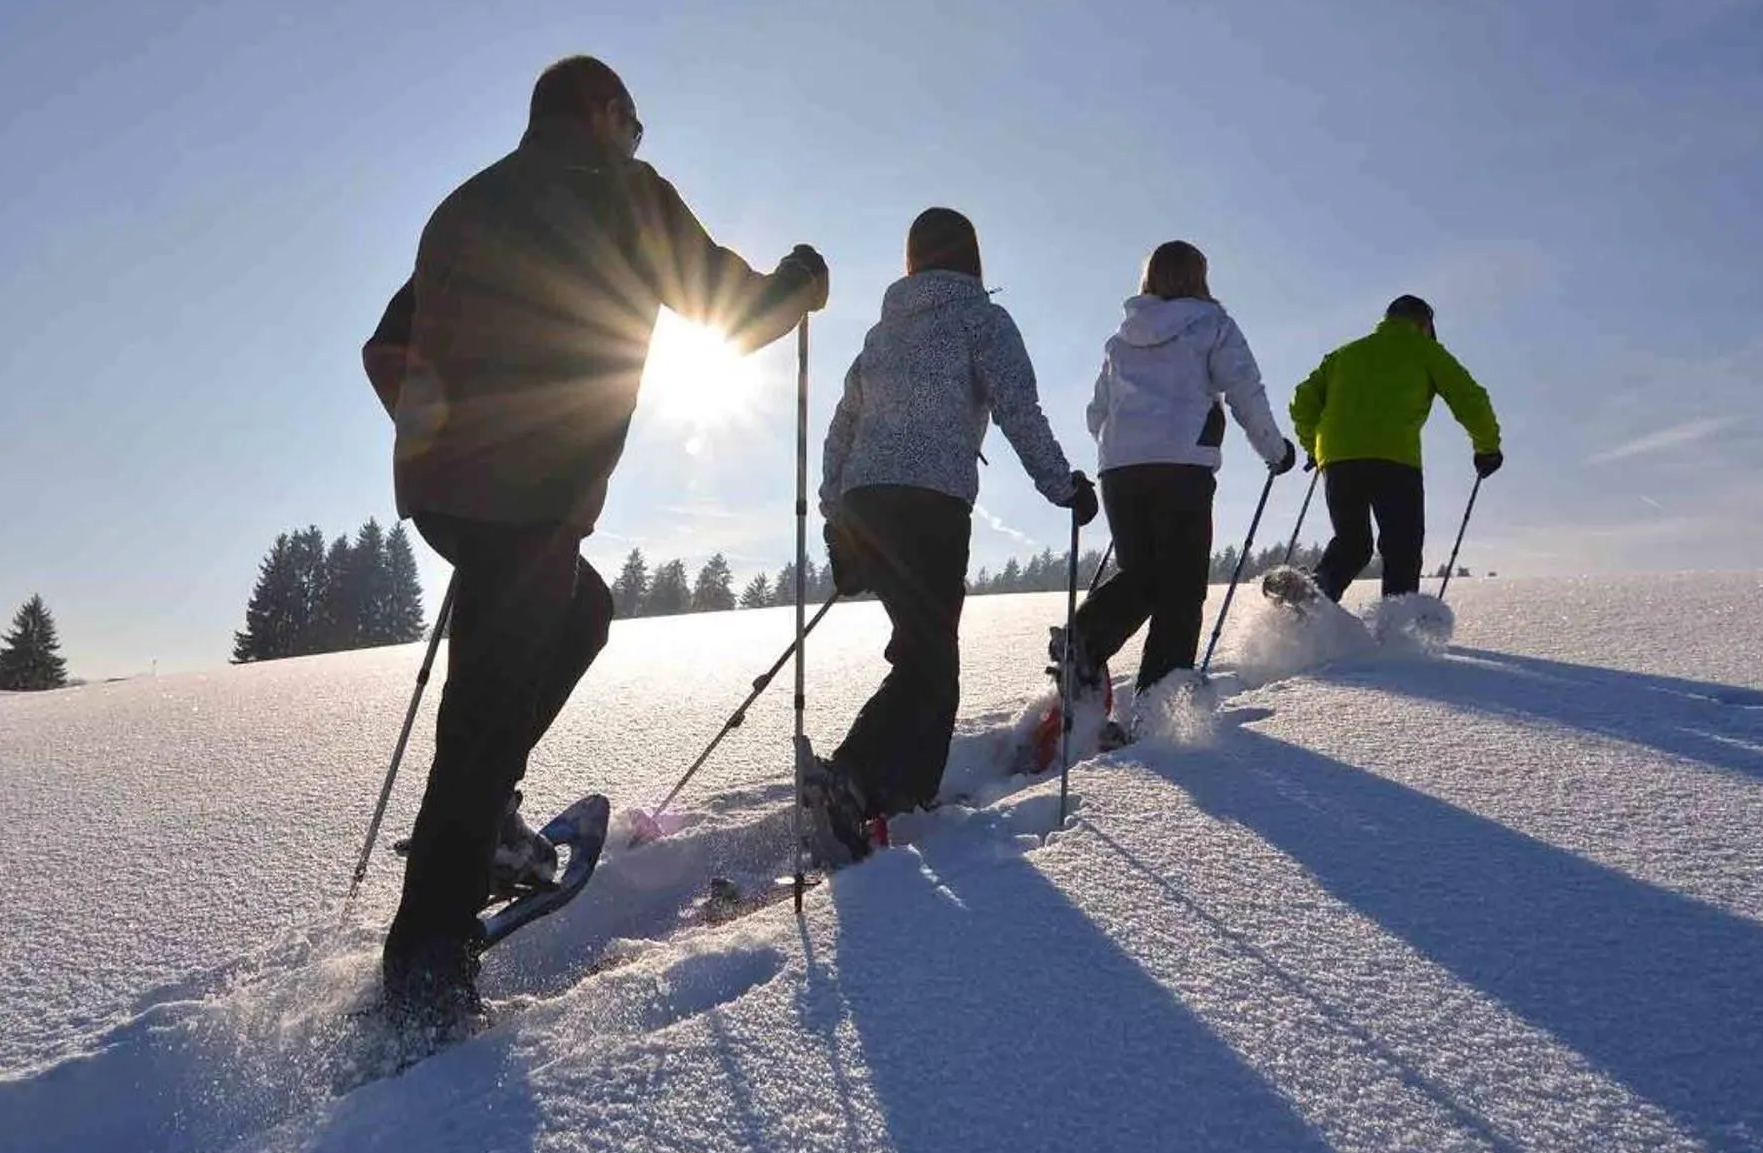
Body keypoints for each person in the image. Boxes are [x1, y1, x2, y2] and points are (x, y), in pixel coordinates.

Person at [361, 55, 829, 1037]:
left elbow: (384, 345)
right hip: (525, 491)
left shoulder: (465, 203)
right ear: (607, 113)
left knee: (580, 613)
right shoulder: (619, 188)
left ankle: (482, 832)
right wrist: (800, 283)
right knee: (482, 714)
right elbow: (729, 309)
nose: (639, 141)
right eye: (636, 124)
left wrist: (439, 434)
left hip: (456, 492)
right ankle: (427, 972)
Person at [807, 207, 1095, 854]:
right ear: (972, 257)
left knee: (923, 651)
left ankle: (893, 796)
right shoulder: (980, 319)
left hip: (866, 501)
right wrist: (1064, 486)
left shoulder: (883, 334)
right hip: (929, 504)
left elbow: (841, 426)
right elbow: (1019, 407)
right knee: (932, 660)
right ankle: (860, 782)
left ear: (911, 261)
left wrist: (839, 521)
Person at [1068, 240, 1294, 700]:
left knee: (1142, 573)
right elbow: (1244, 390)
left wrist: (1126, 444)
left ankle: (1085, 639)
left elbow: (1097, 412)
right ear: (1198, 277)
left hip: (1120, 470)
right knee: (1182, 591)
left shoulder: (1121, 338)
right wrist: (1275, 450)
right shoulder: (1212, 324)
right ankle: (1159, 701)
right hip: (1182, 468)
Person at [1289, 293, 1501, 601]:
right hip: (1395, 461)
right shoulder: (1426, 351)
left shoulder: (1345, 354)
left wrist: (1316, 447)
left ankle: (1311, 601)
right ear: (1424, 324)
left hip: (1339, 460)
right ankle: (1397, 632)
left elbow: (1302, 402)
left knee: (1352, 544)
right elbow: (1469, 398)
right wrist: (1487, 447)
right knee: (1402, 546)